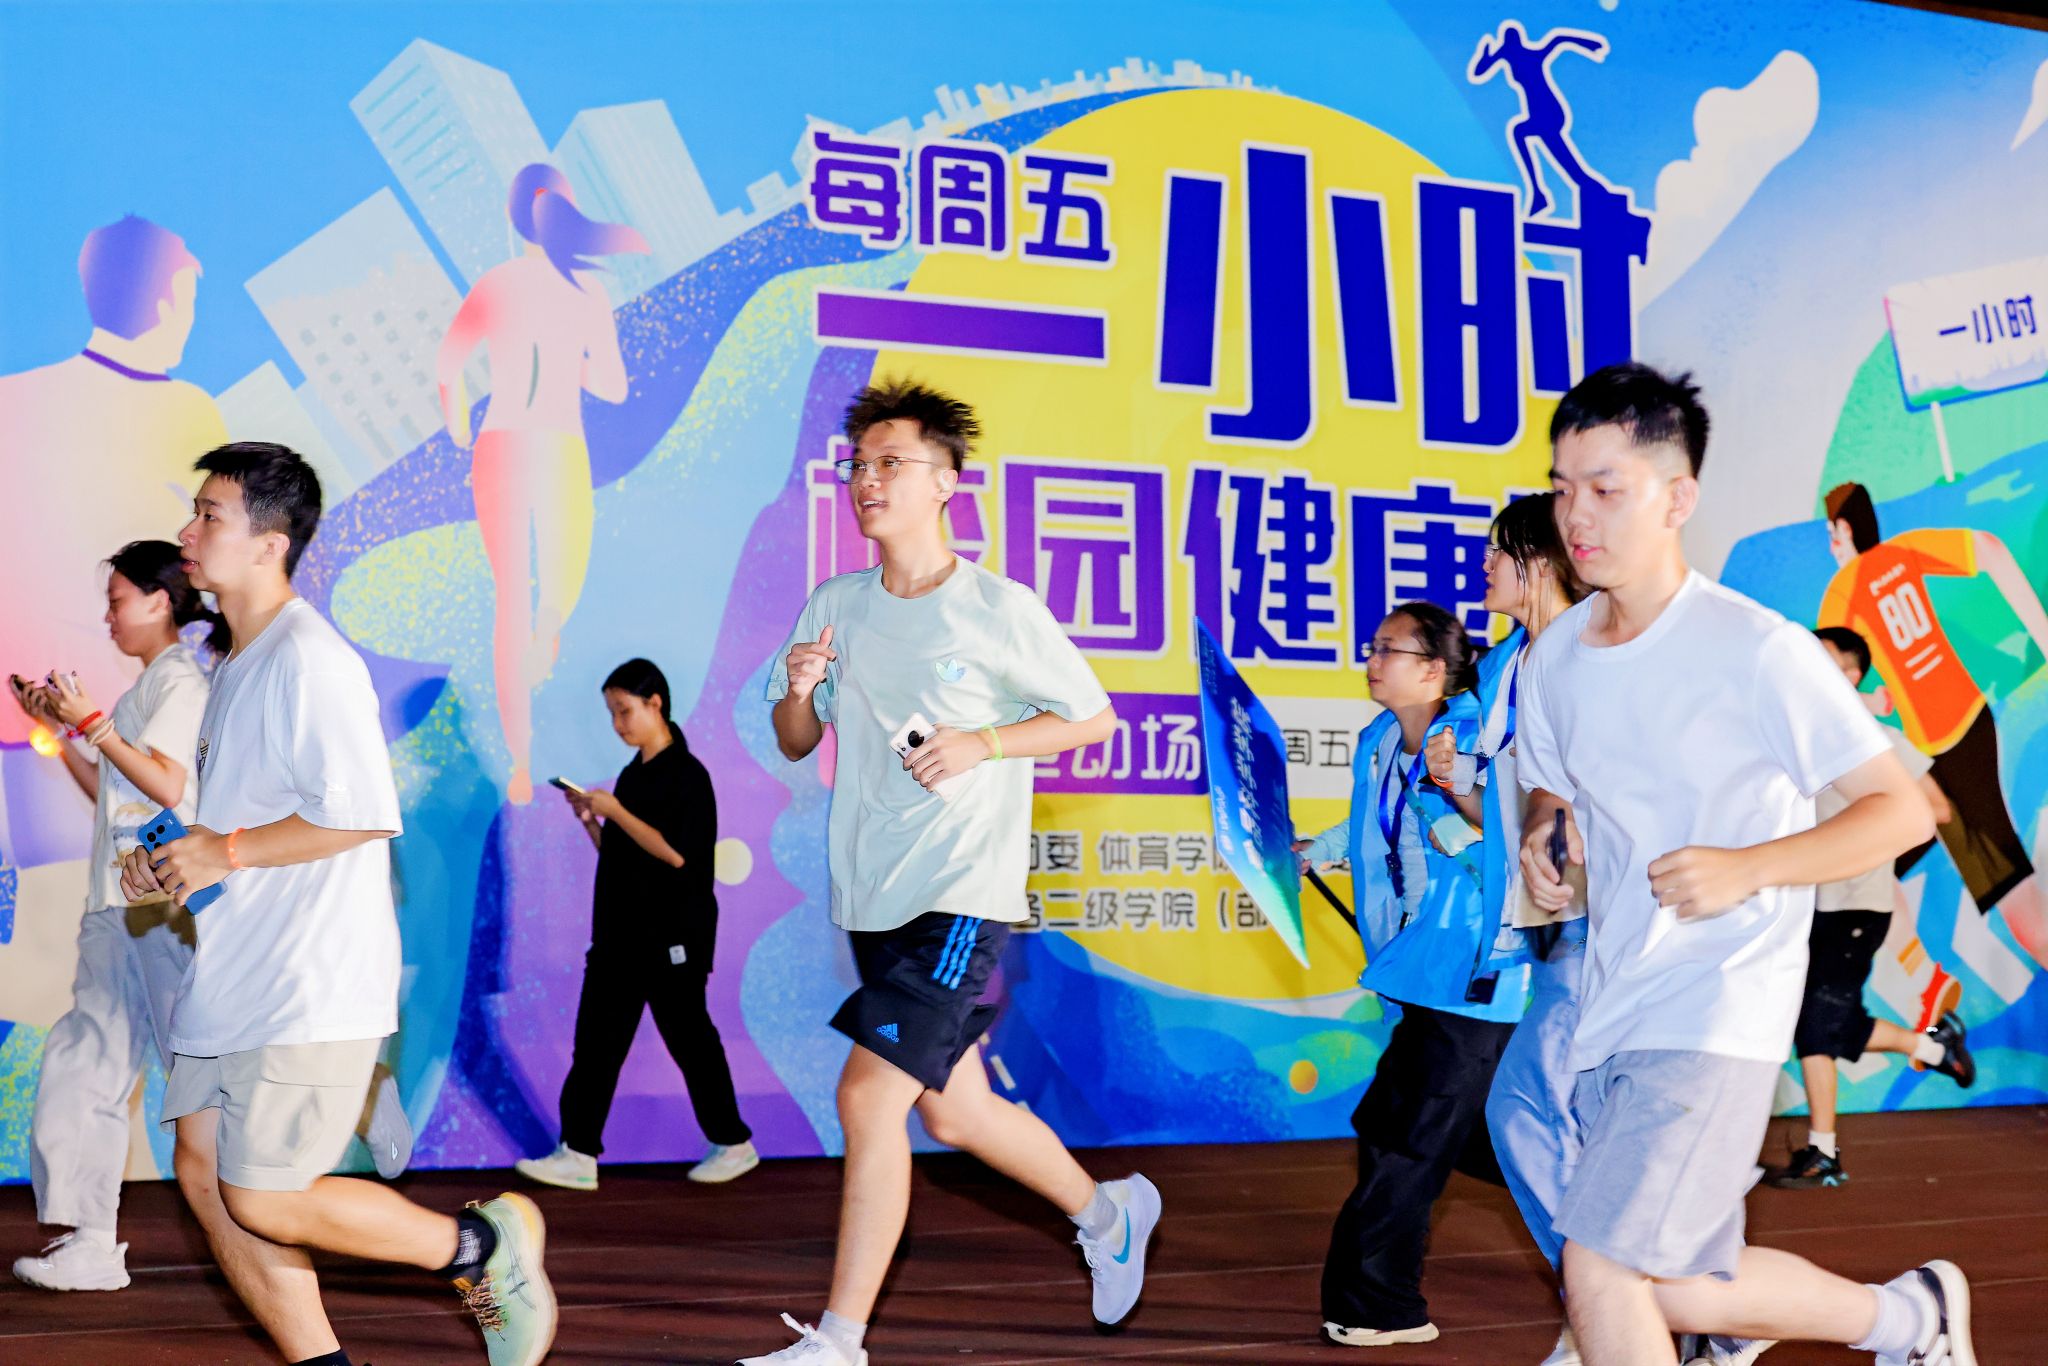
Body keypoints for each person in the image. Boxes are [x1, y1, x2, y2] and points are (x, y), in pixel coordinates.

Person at [1517, 362, 1973, 1366]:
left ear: (1677, 499)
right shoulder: (1553, 661)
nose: (1576, 515)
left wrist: (1749, 866)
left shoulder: (1756, 649)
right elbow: (1550, 788)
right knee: (1678, 1285)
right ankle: (1913, 1319)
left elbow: (1899, 808)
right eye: (1561, 487)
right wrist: (1546, 833)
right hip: (1612, 1004)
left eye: (1606, 488)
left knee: (1598, 1269)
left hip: (1716, 1008)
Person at [118, 442, 554, 1366]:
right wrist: (176, 860)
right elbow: (246, 816)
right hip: (233, 969)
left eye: (209, 516)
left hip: (305, 978)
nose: (188, 532)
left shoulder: (309, 660)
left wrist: (225, 849)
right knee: (205, 1174)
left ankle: (477, 1246)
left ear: (270, 543)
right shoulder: (236, 662)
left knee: (265, 1196)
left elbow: (358, 814)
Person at [748, 379, 1156, 1366]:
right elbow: (795, 738)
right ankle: (1109, 1216)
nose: (867, 480)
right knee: (954, 1108)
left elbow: (1093, 718)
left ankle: (840, 1340)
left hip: (962, 894)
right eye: (858, 465)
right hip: (873, 897)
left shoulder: (995, 607)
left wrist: (985, 742)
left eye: (890, 463)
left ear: (945, 482)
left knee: (867, 1097)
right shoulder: (837, 605)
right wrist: (799, 690)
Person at [1293, 601, 1530, 1348]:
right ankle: (1625, 1223)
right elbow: (1373, 821)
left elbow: (1507, 830)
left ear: (1433, 669)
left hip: (1475, 966)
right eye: (1372, 647)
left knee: (1408, 1137)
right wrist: (1317, 850)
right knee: (1456, 1135)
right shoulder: (1379, 738)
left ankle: (1379, 1306)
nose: (1371, 661)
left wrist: (1453, 797)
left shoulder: (1473, 733)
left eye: (1387, 650)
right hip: (1420, 964)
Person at [8, 542, 218, 1291]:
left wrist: (91, 721)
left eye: (118, 600)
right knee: (85, 1061)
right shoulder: (149, 689)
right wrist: (63, 730)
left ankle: (336, 1131)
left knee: (203, 1071)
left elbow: (166, 784)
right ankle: (92, 1239)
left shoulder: (181, 682)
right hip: (122, 907)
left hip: (161, 907)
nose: (109, 617)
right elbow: (112, 791)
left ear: (160, 600)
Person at [1424, 494, 1590, 1365]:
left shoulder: (1593, 649)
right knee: (1578, 1123)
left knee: (1524, 1108)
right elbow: (1508, 812)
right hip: (1545, 920)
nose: (1484, 566)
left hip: (1601, 920)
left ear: (1538, 561)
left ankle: (1611, 1309)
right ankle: (1694, 1312)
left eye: (1498, 553)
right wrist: (1458, 782)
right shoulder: (1508, 664)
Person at [437, 163, 648, 807]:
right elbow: (614, 387)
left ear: (515, 218)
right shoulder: (587, 289)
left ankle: (521, 764)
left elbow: (449, 363)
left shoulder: (498, 282)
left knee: (510, 597)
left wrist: (458, 427)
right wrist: (573, 365)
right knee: (556, 583)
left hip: (501, 444)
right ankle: (550, 625)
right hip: (558, 446)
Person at [517, 657, 758, 1191]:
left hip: (671, 936)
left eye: (624, 710)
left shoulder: (687, 775)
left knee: (691, 1042)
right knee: (595, 1047)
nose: (617, 724)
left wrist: (618, 812)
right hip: (620, 935)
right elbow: (624, 856)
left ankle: (733, 1142)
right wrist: (592, 822)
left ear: (656, 704)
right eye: (611, 713)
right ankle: (578, 1152)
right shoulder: (634, 774)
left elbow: (677, 855)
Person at [1763, 627, 1974, 1191]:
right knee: (1832, 1019)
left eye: (1823, 658)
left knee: (1815, 1023)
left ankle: (1823, 1152)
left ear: (1852, 675)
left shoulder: (1876, 739)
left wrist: (1866, 846)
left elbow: (1936, 810)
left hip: (1855, 903)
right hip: (1807, 900)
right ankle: (1932, 1046)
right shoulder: (1797, 735)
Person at [1818, 479, 2048, 969]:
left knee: (2015, 901)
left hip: (1940, 749)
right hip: (1971, 724)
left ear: (1846, 530)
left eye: (1832, 536)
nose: (1832, 547)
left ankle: (1920, 977)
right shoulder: (1903, 552)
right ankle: (1920, 975)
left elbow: (1818, 680)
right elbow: (1989, 547)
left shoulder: (1844, 589)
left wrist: (1864, 699)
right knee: (1901, 849)